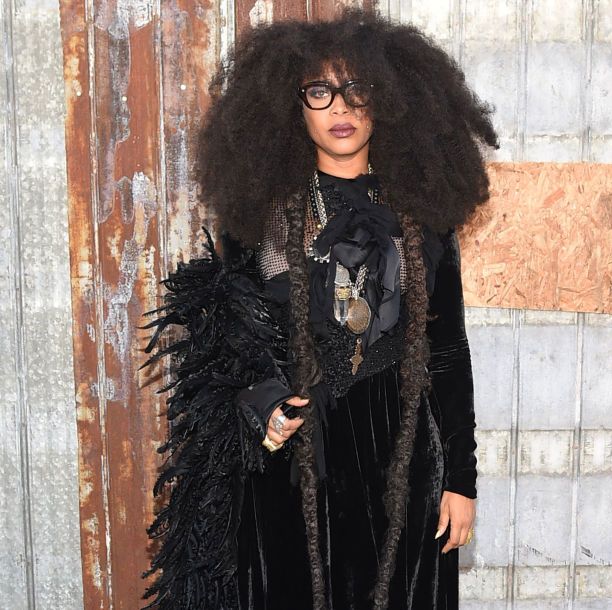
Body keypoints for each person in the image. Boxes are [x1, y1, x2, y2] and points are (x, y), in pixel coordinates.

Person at [139, 8, 498, 610]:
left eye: (357, 89)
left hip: (402, 454)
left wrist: (461, 479)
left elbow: (448, 352)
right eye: (320, 91)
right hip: (296, 458)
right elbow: (229, 341)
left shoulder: (426, 217)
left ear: (387, 102)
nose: (340, 108)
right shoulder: (260, 220)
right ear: (294, 107)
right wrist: (265, 407)